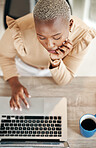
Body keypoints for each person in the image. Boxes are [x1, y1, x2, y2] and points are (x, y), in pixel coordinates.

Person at [0, 0, 96, 110]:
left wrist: (56, 61)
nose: (49, 45)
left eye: (56, 37)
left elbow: (63, 81)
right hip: (24, 66)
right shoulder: (18, 29)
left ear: (70, 25)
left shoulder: (82, 35)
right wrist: (14, 83)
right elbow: (4, 56)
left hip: (59, 67)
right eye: (41, 37)